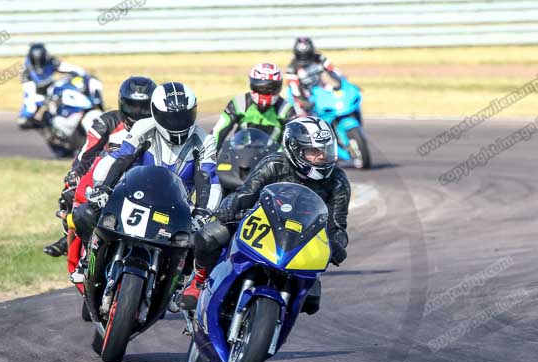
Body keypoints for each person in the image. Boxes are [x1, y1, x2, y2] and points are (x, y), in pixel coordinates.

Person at [180, 117, 350, 311]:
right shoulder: (273, 164)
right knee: (208, 235)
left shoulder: (338, 181)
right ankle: (199, 280)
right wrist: (228, 208)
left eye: (326, 150)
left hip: (302, 239)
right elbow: (245, 194)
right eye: (314, 151)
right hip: (262, 225)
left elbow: (338, 226)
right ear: (295, 149)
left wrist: (336, 244)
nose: (321, 157)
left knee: (310, 301)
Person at [69, 81, 222, 283]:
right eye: (170, 118)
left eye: (183, 116)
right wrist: (104, 188)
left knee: (205, 240)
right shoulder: (143, 127)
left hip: (178, 207)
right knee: (85, 213)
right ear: (155, 112)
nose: (177, 123)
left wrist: (202, 214)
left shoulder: (205, 141)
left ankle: (182, 282)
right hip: (133, 194)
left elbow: (208, 179)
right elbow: (120, 158)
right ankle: (89, 257)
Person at [43, 76, 156, 270]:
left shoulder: (158, 127)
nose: (138, 113)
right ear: (122, 103)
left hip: (143, 181)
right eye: (132, 106)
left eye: (144, 107)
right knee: (70, 192)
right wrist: (75, 174)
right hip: (105, 178)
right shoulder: (107, 121)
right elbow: (86, 153)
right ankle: (70, 237)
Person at [212, 63, 296, 151]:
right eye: (260, 87)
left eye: (269, 88)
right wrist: (208, 156)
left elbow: (295, 138)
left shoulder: (286, 108)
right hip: (239, 155)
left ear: (278, 87)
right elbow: (218, 131)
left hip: (272, 157)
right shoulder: (239, 102)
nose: (264, 91)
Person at [17, 43, 103, 129]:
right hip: (36, 90)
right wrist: (42, 100)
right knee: (30, 108)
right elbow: (29, 92)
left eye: (41, 60)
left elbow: (69, 68)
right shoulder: (25, 71)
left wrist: (83, 74)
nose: (39, 64)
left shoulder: (51, 61)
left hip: (50, 86)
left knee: (64, 91)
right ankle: (26, 116)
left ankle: (67, 113)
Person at [285, 37, 342, 117]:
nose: (304, 59)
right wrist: (306, 104)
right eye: (301, 56)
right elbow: (295, 90)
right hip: (305, 96)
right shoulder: (292, 68)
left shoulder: (320, 59)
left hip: (322, 90)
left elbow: (335, 72)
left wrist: (338, 83)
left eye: (307, 55)